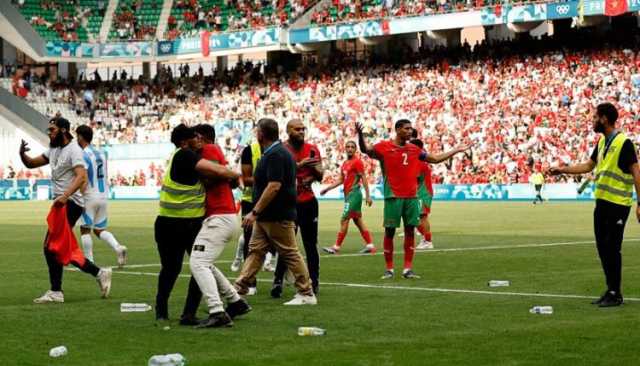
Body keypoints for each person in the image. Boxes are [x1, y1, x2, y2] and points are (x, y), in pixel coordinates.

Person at [548, 103, 640, 307]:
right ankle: (610, 290)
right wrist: (563, 169)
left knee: (612, 249)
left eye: (594, 118)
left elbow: (636, 171)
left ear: (604, 119)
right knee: (602, 248)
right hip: (602, 203)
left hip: (618, 204)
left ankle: (615, 293)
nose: (592, 121)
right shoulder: (601, 142)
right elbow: (588, 166)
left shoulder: (624, 142)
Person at [356, 120, 469, 279]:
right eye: (407, 128)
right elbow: (365, 150)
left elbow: (435, 159)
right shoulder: (384, 147)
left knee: (410, 231)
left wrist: (456, 150)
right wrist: (360, 136)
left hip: (412, 197)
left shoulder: (415, 149)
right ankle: (389, 269)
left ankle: (407, 269)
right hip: (393, 197)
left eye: (411, 129)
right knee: (389, 232)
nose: (410, 131)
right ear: (397, 130)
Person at [19, 117, 112, 303]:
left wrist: (66, 195)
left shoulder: (74, 150)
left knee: (50, 247)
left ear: (63, 130)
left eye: (52, 129)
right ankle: (99, 273)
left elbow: (81, 177)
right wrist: (22, 154)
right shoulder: (53, 149)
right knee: (60, 249)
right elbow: (31, 163)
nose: (49, 132)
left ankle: (57, 291)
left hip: (70, 204)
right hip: (61, 204)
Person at [154, 124, 240, 322]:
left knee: (186, 267)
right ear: (184, 142)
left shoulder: (182, 155)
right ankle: (177, 312)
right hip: (176, 225)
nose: (199, 139)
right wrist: (236, 176)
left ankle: (176, 313)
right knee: (182, 267)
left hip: (180, 223)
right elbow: (216, 170)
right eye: (194, 137)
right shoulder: (185, 155)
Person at [235, 118, 317, 306]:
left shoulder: (275, 155)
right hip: (268, 216)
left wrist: (254, 212)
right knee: (255, 251)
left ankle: (306, 292)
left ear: (260, 134)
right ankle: (240, 287)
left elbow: (274, 186)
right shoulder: (278, 153)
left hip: (276, 214)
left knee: (289, 253)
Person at [188, 124, 250, 328]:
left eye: (194, 137)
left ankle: (217, 311)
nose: (192, 141)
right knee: (205, 262)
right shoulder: (214, 151)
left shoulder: (209, 150)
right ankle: (235, 301)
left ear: (202, 137)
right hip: (223, 215)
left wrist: (199, 174)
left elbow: (218, 175)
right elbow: (229, 178)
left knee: (198, 263)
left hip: (219, 216)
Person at [271, 119, 323, 297]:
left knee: (310, 244)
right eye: (297, 129)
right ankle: (277, 281)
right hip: (287, 203)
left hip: (308, 202)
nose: (301, 131)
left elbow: (321, 174)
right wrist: (300, 165)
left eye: (303, 129)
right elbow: (279, 175)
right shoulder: (281, 150)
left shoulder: (312, 148)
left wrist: (314, 173)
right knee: (286, 245)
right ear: (288, 131)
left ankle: (314, 282)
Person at [75, 125, 127, 267]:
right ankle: (118, 247)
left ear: (80, 137)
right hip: (104, 195)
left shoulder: (83, 155)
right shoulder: (102, 154)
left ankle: (89, 262)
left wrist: (79, 193)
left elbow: (83, 177)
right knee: (99, 230)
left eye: (77, 136)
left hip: (90, 196)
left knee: (85, 229)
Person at [230, 138, 276, 288]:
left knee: (280, 240)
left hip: (273, 200)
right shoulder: (250, 150)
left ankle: (279, 280)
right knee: (249, 240)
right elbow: (246, 178)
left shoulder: (278, 149)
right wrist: (270, 182)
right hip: (251, 200)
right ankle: (250, 284)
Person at [320, 141, 375, 254]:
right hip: (348, 195)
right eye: (348, 147)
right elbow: (341, 179)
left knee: (344, 219)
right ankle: (370, 246)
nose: (350, 149)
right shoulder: (345, 163)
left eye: (352, 147)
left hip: (354, 194)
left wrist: (368, 196)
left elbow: (363, 178)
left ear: (355, 149)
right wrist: (327, 189)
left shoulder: (357, 162)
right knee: (358, 221)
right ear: (345, 149)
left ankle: (336, 247)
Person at [410, 139, 434, 250]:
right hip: (420, 192)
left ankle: (428, 241)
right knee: (416, 217)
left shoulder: (419, 162)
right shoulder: (419, 161)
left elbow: (414, 178)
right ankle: (426, 239)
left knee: (422, 217)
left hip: (423, 193)